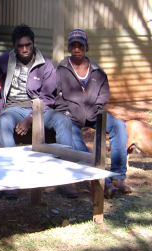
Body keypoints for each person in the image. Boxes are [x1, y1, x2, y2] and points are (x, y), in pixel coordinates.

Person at [0, 24, 76, 200]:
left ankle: (65, 179)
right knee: (4, 122)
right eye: (20, 46)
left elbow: (48, 99)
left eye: (28, 45)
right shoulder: (8, 58)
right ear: (14, 46)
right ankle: (10, 179)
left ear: (33, 44)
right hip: (13, 109)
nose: (25, 49)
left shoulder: (45, 65)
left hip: (39, 109)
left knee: (63, 121)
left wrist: (30, 119)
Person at [54, 29, 132, 196]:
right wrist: (66, 111)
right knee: (73, 137)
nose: (76, 49)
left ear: (87, 47)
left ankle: (118, 176)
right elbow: (55, 95)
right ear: (69, 48)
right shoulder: (61, 69)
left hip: (93, 113)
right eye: (73, 46)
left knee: (118, 125)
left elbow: (104, 93)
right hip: (71, 116)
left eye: (80, 46)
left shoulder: (97, 71)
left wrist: (96, 107)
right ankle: (100, 178)